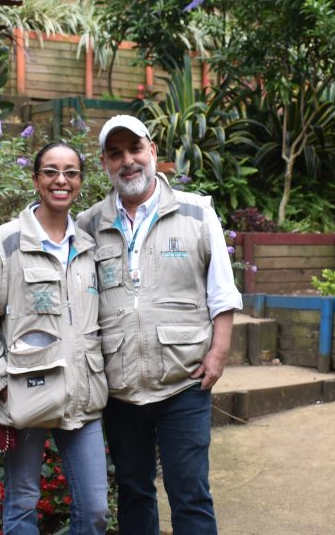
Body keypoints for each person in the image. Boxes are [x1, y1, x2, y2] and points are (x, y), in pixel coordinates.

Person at [77, 115, 242, 535]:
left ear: (153, 152)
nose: (127, 162)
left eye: (135, 150)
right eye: (116, 154)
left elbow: (222, 293)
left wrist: (218, 355)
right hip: (119, 387)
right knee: (133, 491)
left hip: (183, 381)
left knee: (190, 492)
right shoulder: (88, 225)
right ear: (104, 164)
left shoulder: (196, 213)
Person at [0, 142, 109, 535]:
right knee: (21, 503)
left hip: (82, 395)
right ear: (36, 179)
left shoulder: (90, 247)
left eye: (71, 172)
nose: (61, 180)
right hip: (23, 394)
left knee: (95, 509)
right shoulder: (5, 244)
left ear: (80, 181)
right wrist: (1, 383)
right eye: (51, 171)